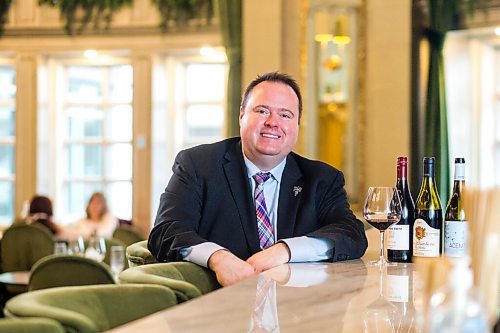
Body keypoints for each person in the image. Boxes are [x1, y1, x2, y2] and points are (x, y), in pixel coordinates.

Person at [148, 71, 368, 286]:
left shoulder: (322, 179)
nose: (273, 122)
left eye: (285, 115)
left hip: (294, 311)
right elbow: (166, 231)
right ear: (241, 115)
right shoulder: (198, 165)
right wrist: (218, 257)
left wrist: (285, 251)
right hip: (221, 307)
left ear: (297, 125)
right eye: (262, 111)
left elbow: (351, 233)